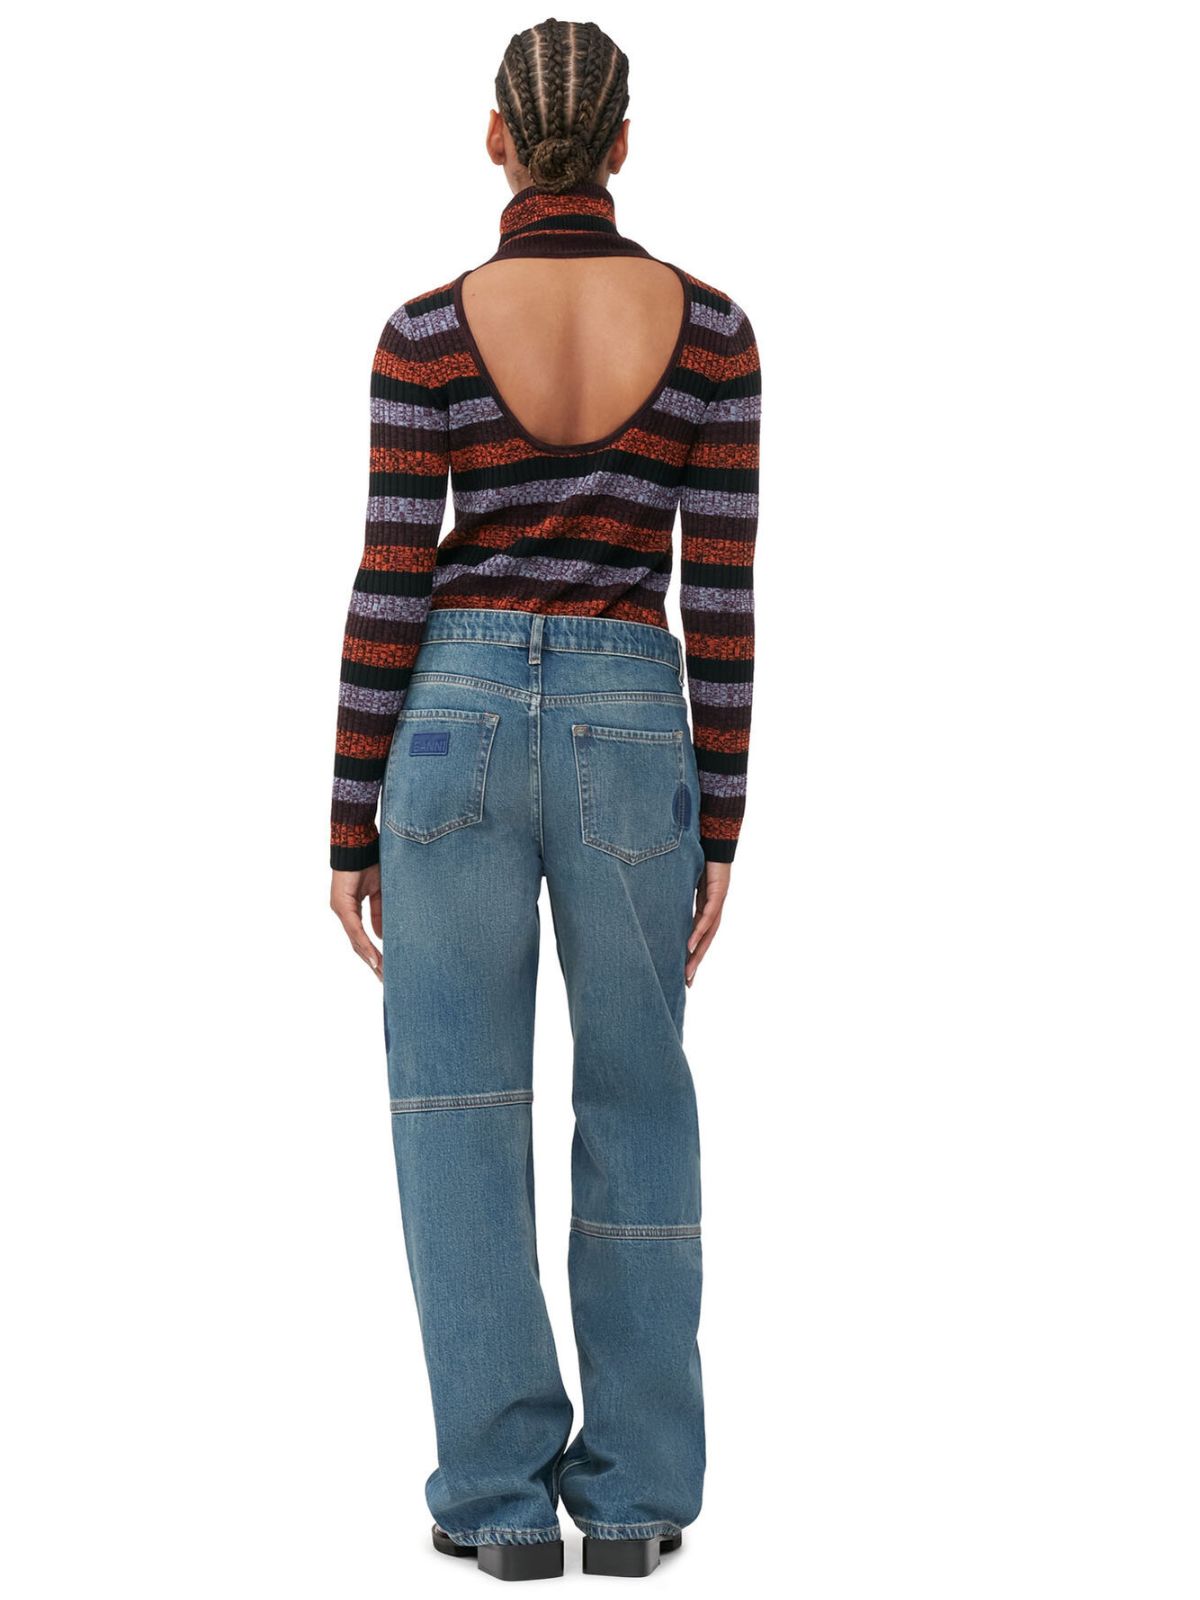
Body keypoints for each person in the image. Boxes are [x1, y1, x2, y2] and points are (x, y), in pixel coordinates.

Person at [328, 16, 760, 1582]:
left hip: (445, 724)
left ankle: (499, 1501)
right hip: (633, 725)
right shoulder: (714, 335)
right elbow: (720, 598)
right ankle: (635, 1496)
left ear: (497, 138)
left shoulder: (423, 334)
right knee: (640, 1095)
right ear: (623, 142)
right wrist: (723, 820)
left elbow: (393, 579)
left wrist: (348, 814)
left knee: (454, 1109)